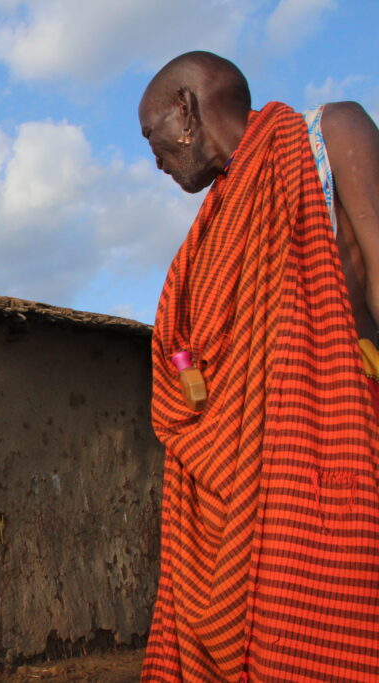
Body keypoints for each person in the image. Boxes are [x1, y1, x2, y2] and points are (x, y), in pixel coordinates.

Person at [137, 51, 379, 682]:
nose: (154, 158)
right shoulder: (208, 233)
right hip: (228, 491)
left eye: (153, 135)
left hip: (331, 456)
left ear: (186, 111)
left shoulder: (330, 136)